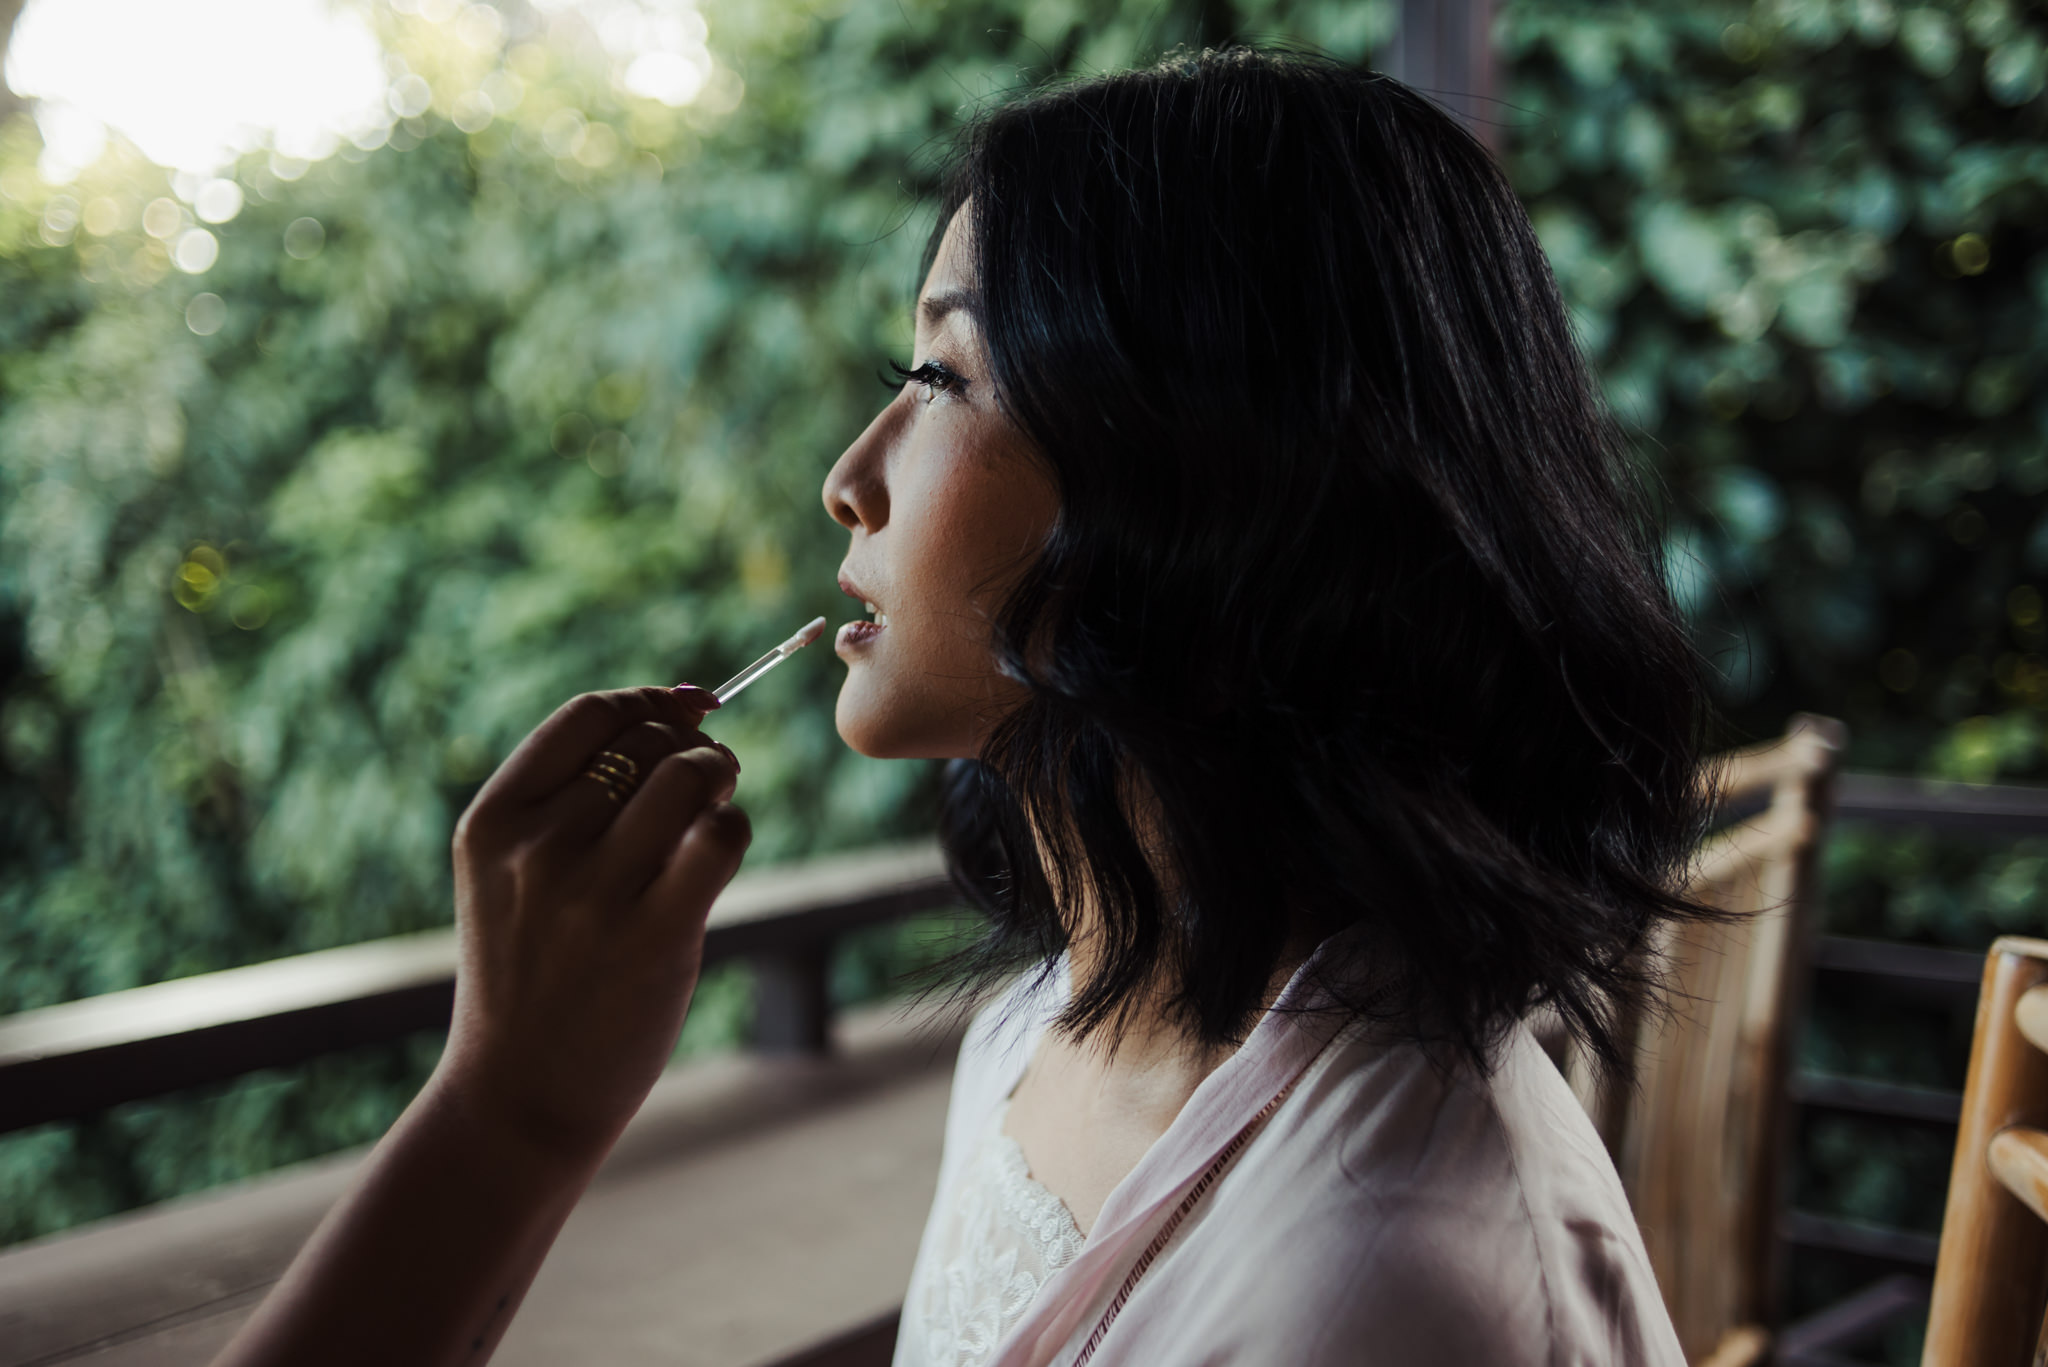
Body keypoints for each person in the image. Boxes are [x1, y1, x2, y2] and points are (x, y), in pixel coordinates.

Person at [213, 47, 1707, 1367]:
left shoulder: (1381, 1289)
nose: (848, 477)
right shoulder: (1046, 1028)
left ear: (1206, 484)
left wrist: (510, 1112)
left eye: (941, 372)